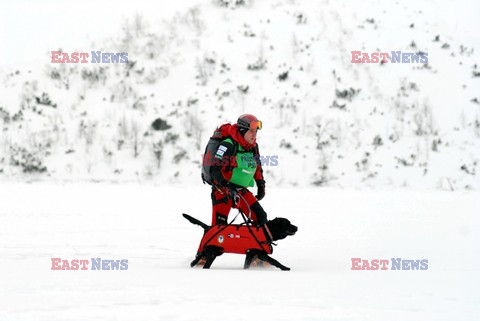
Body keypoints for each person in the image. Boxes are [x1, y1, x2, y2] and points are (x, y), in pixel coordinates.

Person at [209, 114, 267, 226]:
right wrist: (227, 187)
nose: (254, 135)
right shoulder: (227, 145)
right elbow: (214, 170)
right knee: (219, 227)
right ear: (242, 130)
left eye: (256, 131)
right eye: (251, 131)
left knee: (261, 218)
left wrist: (260, 184)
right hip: (222, 191)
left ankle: (251, 243)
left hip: (241, 190)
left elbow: (257, 166)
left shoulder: (253, 147)